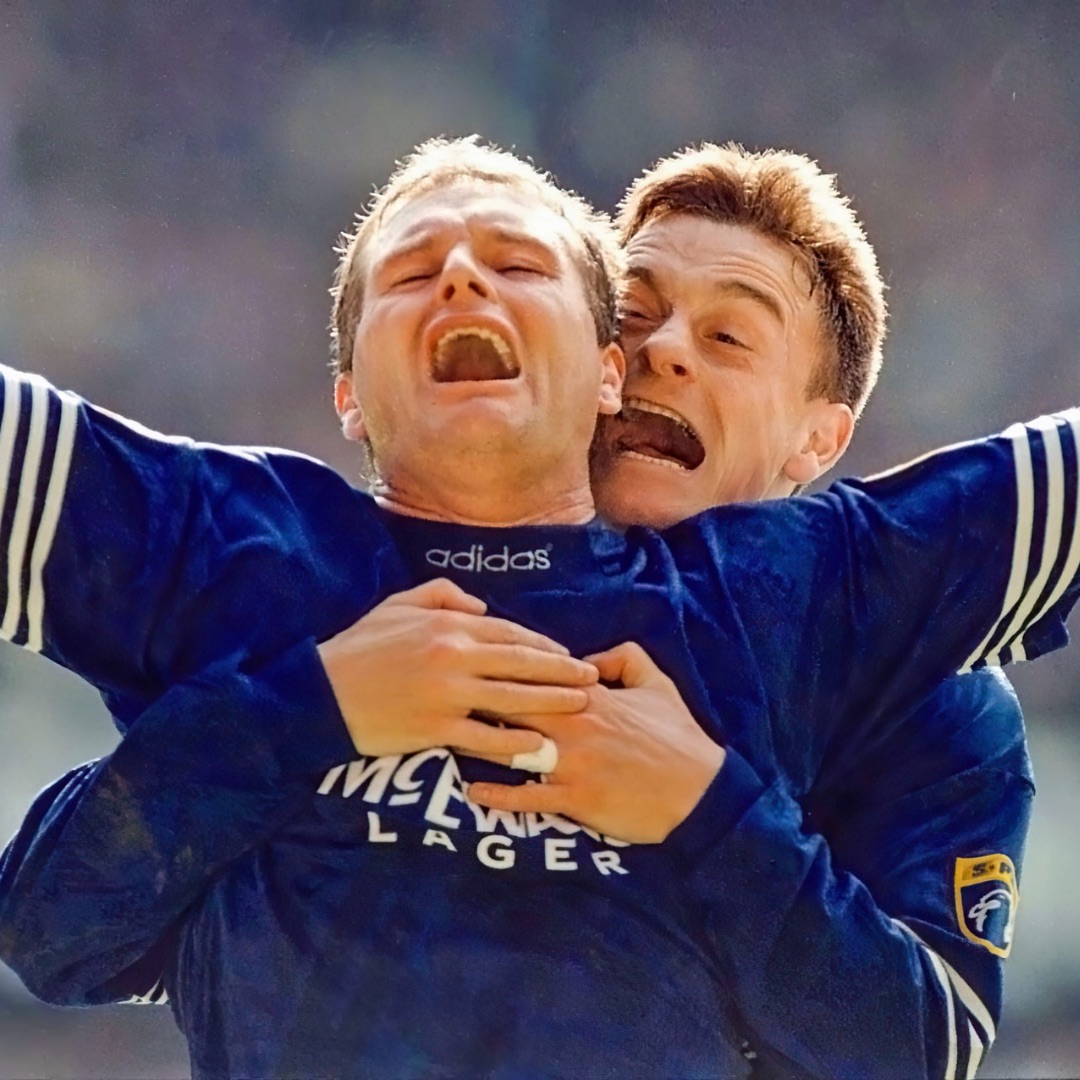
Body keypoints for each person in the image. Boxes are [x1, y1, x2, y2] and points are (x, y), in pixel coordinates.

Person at [0, 138, 1075, 1078]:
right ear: (347, 393)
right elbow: (52, 932)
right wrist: (310, 709)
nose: (662, 352)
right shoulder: (255, 553)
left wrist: (705, 809)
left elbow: (914, 1052)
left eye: (730, 339)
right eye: (639, 313)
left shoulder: (854, 630)